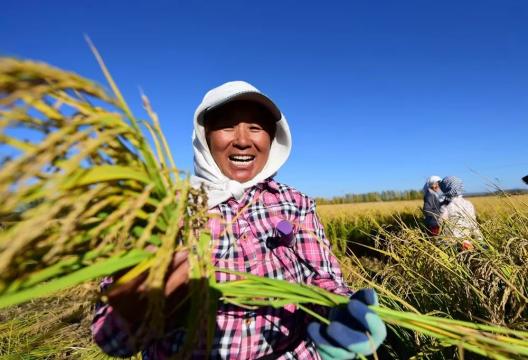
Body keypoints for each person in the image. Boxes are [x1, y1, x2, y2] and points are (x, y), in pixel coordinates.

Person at [92, 81, 386, 359]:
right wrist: (137, 312)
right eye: (227, 126)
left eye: (256, 128)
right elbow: (111, 340)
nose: (243, 140)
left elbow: (323, 279)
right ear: (205, 138)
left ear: (273, 139)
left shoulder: (295, 203)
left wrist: (342, 311)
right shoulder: (165, 210)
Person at [439, 176, 483, 250]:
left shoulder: (445, 206)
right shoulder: (469, 204)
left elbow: (440, 224)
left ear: (445, 188)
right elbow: (474, 224)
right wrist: (480, 241)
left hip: (451, 244)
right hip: (468, 242)